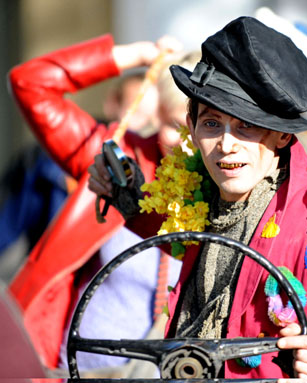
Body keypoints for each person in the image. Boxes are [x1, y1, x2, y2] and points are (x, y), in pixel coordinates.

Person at [88, 16, 307, 379]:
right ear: (191, 124)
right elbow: (192, 240)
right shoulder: (204, 198)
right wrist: (126, 197)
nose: (226, 145)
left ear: (282, 136)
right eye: (212, 123)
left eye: (246, 126)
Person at [7, 32, 200, 375]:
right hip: (66, 367)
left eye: (203, 129)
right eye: (175, 126)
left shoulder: (238, 187)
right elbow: (30, 83)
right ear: (158, 112)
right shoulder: (116, 154)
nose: (187, 144)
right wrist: (137, 56)